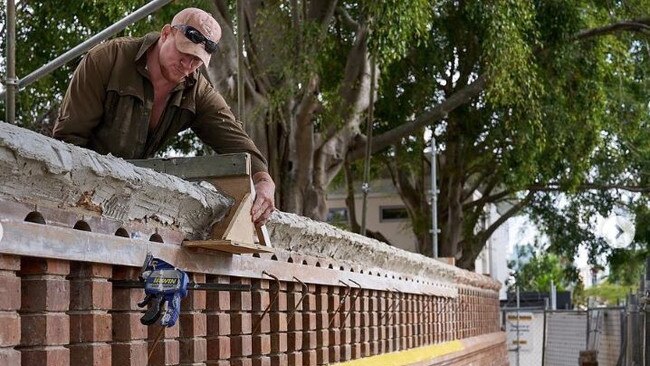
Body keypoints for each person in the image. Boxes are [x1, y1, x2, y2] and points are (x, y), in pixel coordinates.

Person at [53, 8, 275, 225]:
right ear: (166, 33)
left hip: (129, 204)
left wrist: (263, 180)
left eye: (197, 61)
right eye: (184, 53)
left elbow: (236, 142)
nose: (188, 66)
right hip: (78, 194)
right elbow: (68, 140)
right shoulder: (107, 59)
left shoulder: (197, 91)